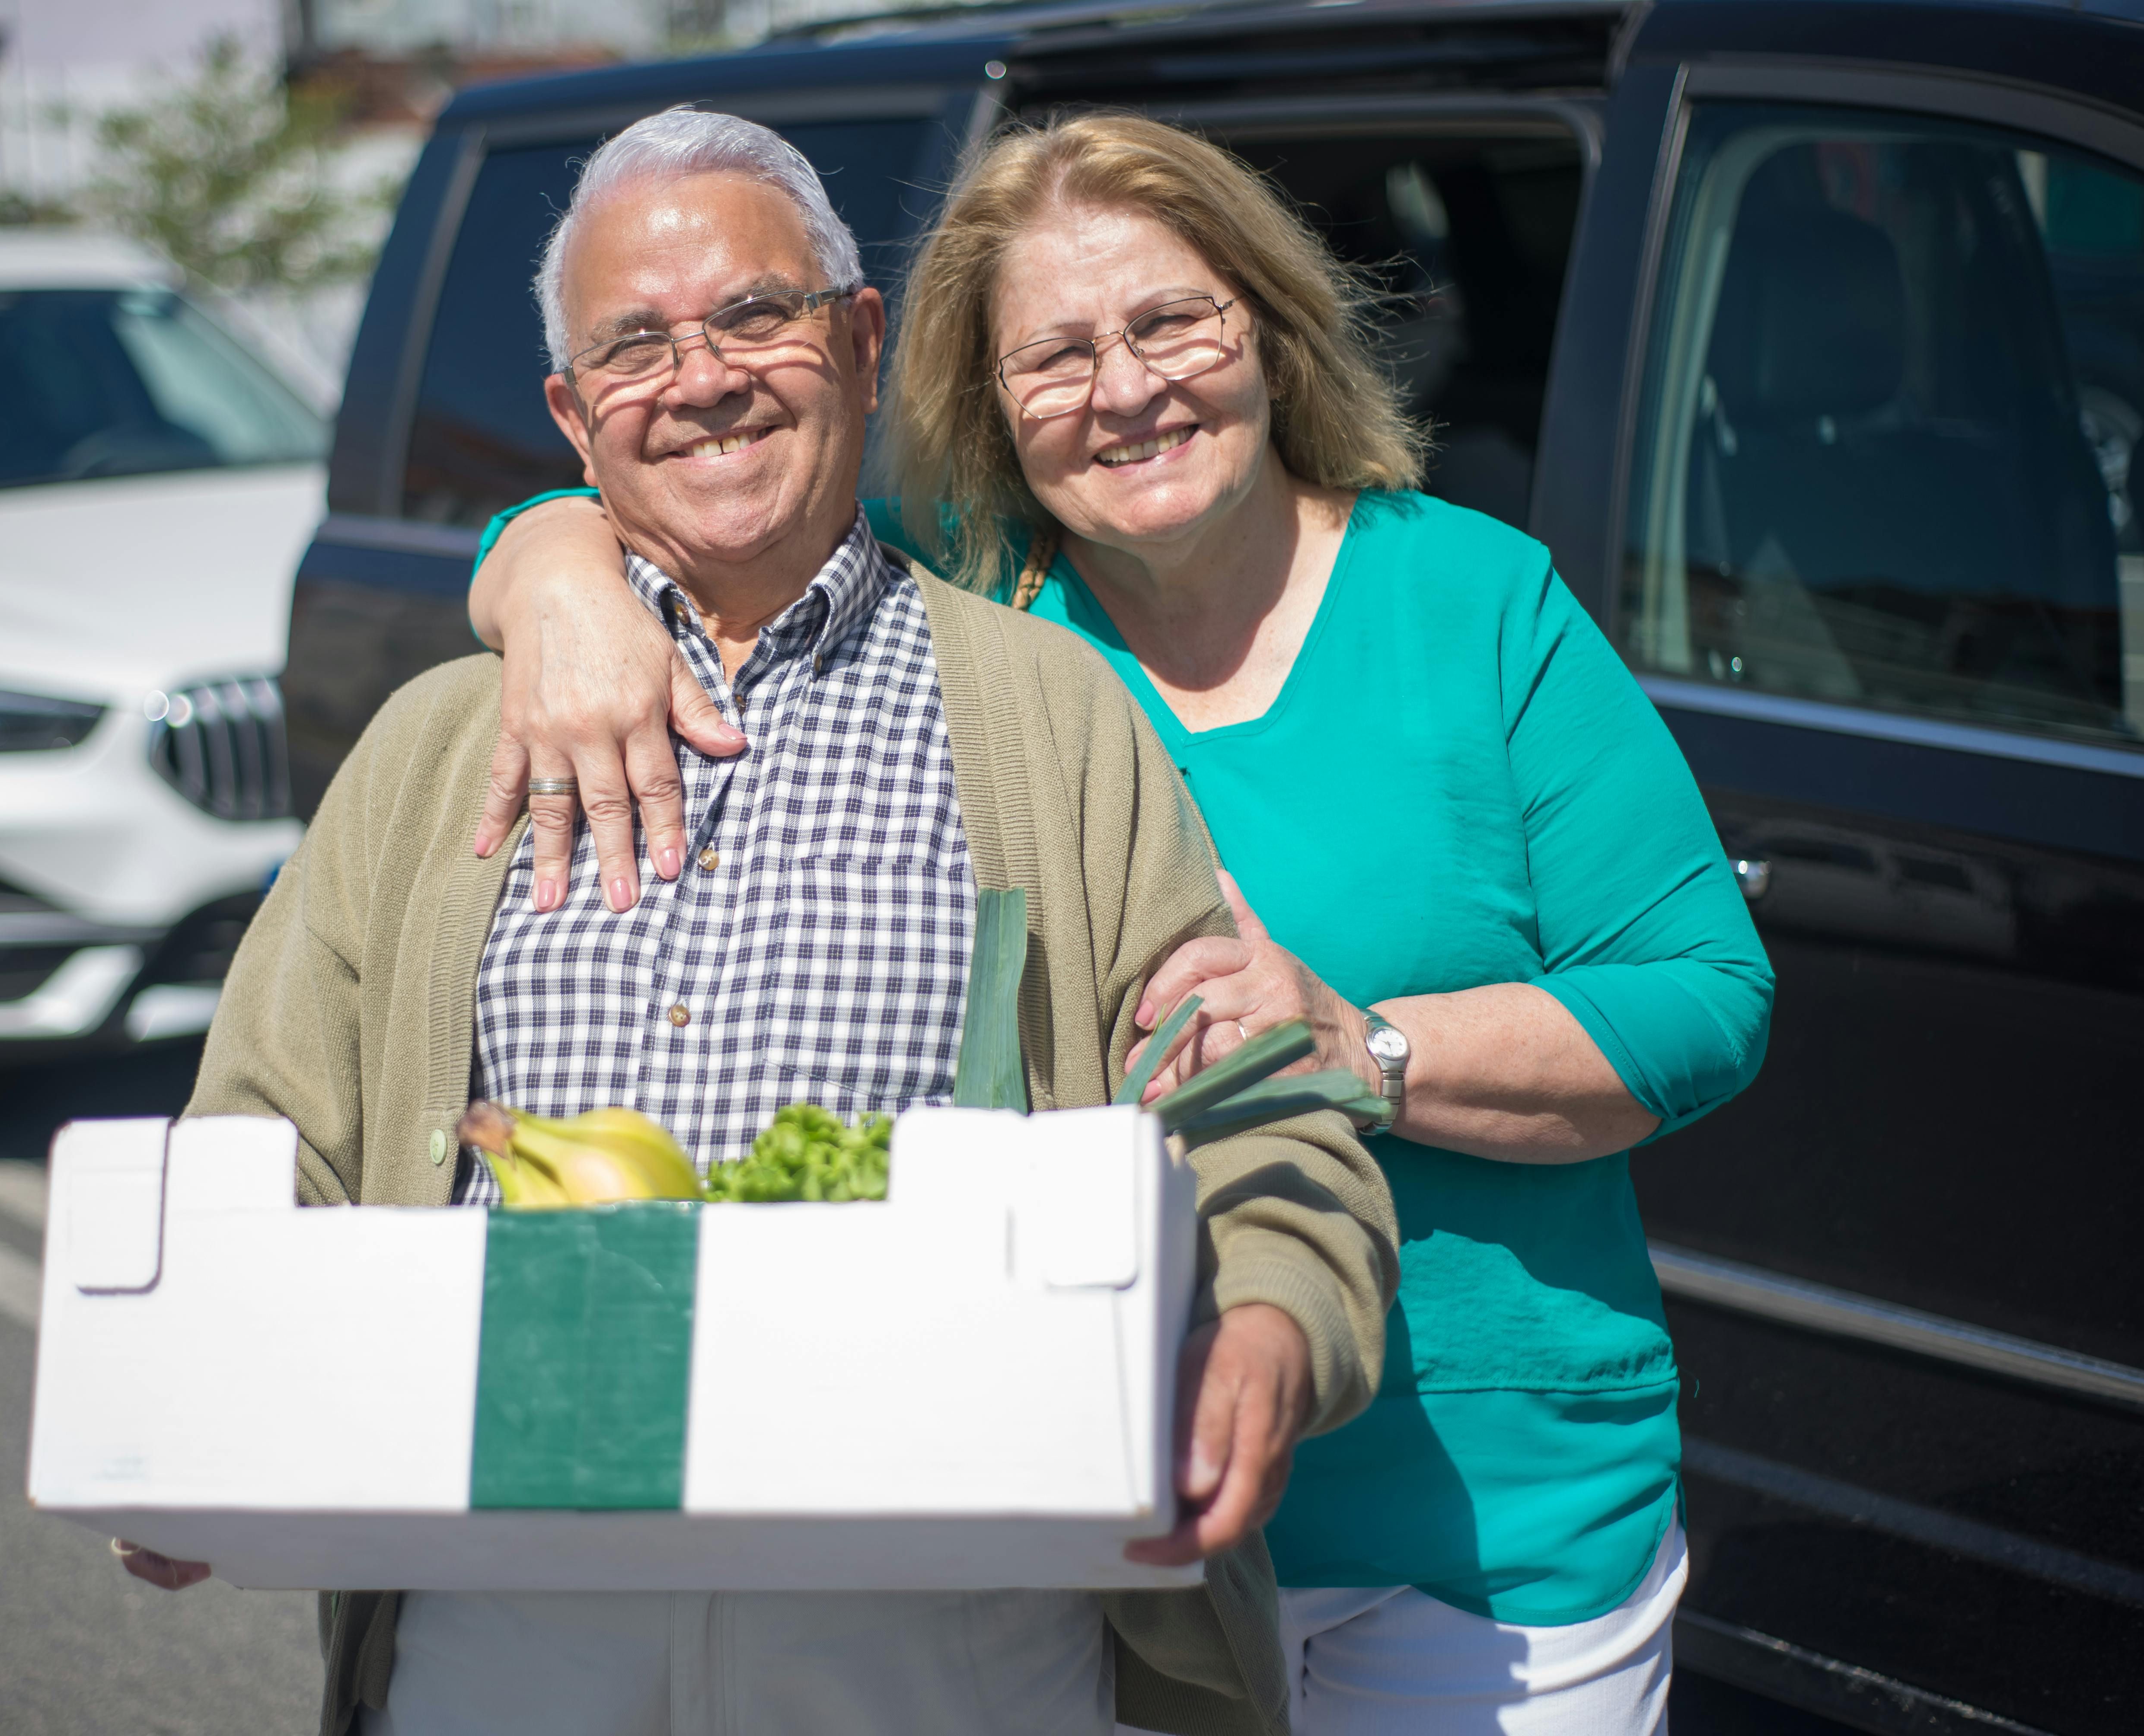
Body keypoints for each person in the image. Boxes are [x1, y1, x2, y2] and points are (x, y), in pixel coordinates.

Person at [468, 112, 1774, 1734]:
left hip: (1486, 1525)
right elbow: (707, 493)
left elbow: (1708, 999)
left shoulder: (1477, 607)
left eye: (1171, 322)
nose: (1128, 390)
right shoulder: (975, 629)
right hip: (1089, 1516)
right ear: (981, 404)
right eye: (1057, 356)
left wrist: (1358, 1042)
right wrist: (544, 567)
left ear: (1272, 333)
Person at [119, 108, 1402, 1736]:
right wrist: (174, 1397)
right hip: (508, 1597)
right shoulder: (441, 744)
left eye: (755, 313)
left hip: (945, 1608)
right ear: (573, 421)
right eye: (635, 345)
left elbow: (1243, 1088)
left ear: (862, 343)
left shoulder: (1045, 712)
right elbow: (266, 1129)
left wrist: (1279, 1316)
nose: (704, 376)